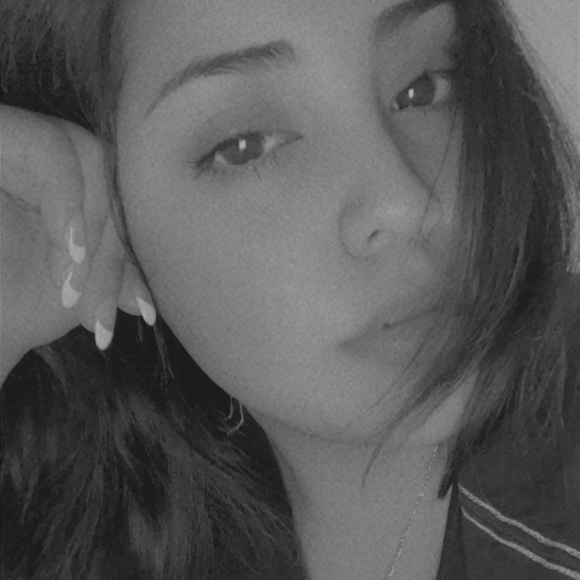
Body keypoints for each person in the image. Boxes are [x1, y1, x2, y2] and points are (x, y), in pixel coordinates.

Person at [1, 0, 579, 578]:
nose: (409, 203)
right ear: (97, 209)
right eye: (246, 145)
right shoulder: (107, 523)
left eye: (424, 88)